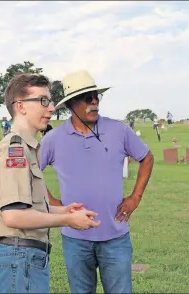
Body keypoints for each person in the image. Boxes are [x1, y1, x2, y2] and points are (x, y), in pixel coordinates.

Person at [39, 70, 155, 294]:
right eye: (87, 97)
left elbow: (147, 158)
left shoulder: (119, 130)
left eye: (96, 96)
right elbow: (32, 172)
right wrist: (53, 204)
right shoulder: (53, 139)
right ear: (71, 104)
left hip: (116, 237)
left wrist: (135, 198)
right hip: (75, 239)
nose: (94, 102)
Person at [0, 73, 101, 293]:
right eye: (43, 101)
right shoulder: (16, 150)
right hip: (20, 258)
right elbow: (13, 215)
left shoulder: (28, 148)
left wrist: (62, 209)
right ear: (20, 106)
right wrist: (67, 219)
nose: (51, 108)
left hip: (25, 258)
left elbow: (27, 206)